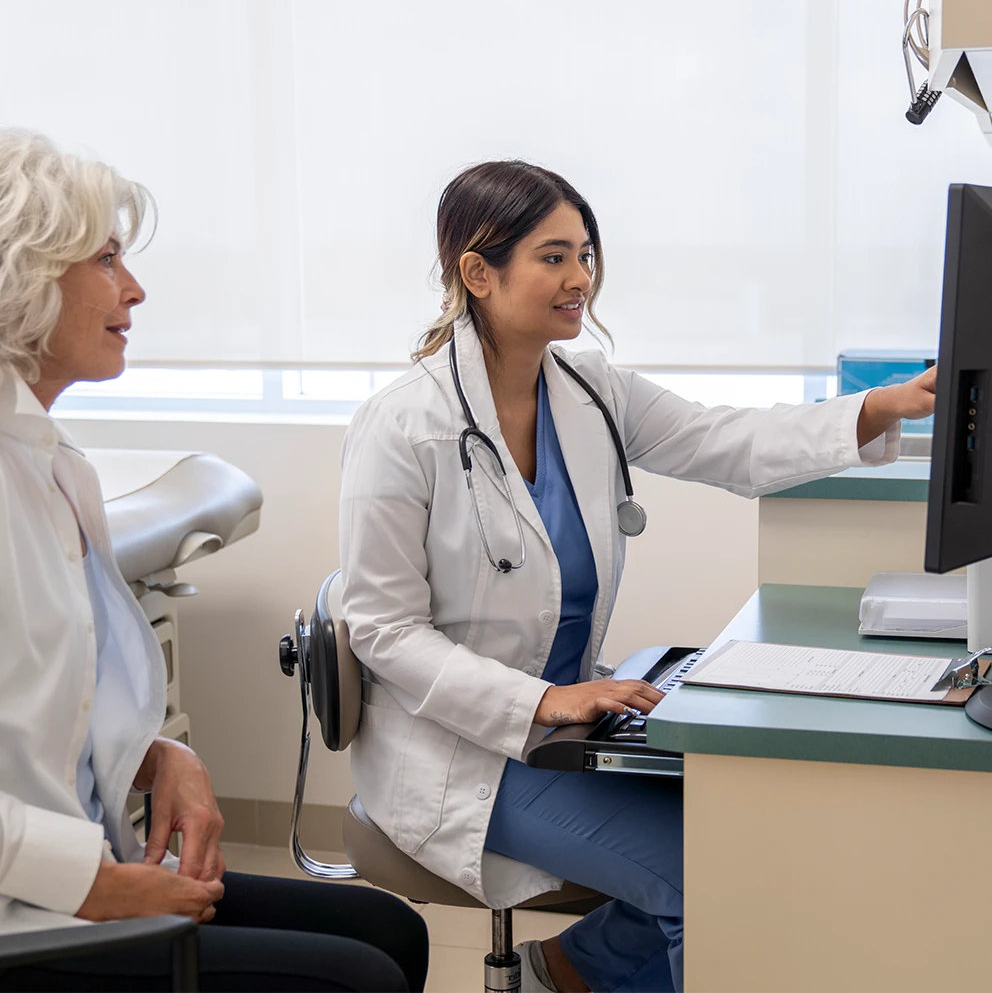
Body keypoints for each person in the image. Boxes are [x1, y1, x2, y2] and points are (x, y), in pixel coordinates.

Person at [338, 159, 936, 993]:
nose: (580, 277)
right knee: (719, 882)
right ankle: (583, 972)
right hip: (465, 753)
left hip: (569, 734)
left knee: (759, 830)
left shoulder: (589, 392)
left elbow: (727, 442)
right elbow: (381, 629)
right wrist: (542, 701)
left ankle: (571, 972)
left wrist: (881, 407)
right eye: (553, 257)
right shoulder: (404, 427)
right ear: (478, 272)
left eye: (585, 253)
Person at [0, 128, 428, 993]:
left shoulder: (44, 457)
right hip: (29, 914)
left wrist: (161, 757)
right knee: (357, 980)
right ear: (26, 270)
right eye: (108, 259)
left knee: (388, 930)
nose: (136, 288)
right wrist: (98, 886)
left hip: (76, 872)